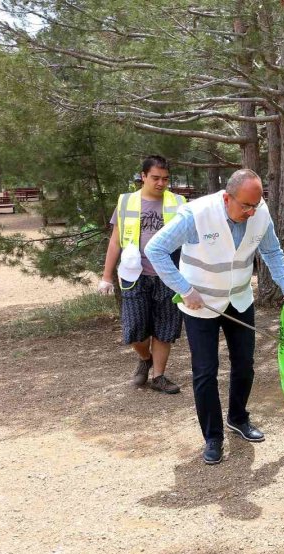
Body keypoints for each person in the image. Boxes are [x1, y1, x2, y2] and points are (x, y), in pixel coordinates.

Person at [144, 169, 284, 464]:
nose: (251, 211)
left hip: (239, 299)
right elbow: (155, 249)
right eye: (245, 205)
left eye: (255, 204)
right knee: (206, 371)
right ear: (226, 197)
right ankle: (213, 436)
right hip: (200, 304)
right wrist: (184, 288)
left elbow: (272, 252)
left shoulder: (259, 213)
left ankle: (238, 418)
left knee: (245, 364)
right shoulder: (195, 214)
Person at [98, 155, 187, 394]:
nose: (161, 183)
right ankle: (145, 358)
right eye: (155, 178)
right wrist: (107, 276)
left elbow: (189, 241)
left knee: (165, 329)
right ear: (143, 176)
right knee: (135, 329)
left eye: (165, 179)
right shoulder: (126, 203)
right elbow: (115, 240)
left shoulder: (178, 202)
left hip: (168, 275)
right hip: (134, 274)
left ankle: (158, 376)